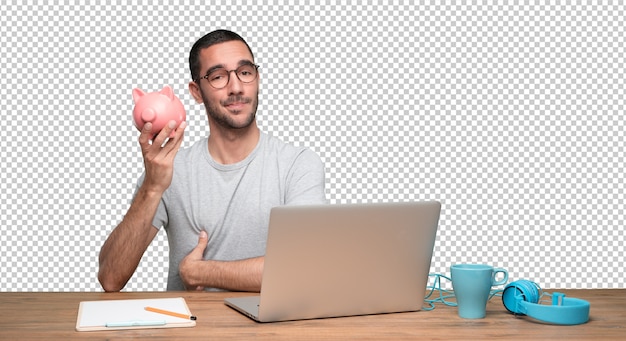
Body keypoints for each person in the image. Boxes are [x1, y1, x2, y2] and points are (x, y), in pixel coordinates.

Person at [98, 30, 327, 292]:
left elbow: (307, 268)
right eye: (218, 77)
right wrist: (152, 188)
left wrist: (201, 272)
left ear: (257, 78)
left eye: (245, 72)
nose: (236, 87)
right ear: (196, 92)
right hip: (192, 330)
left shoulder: (297, 165)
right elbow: (111, 278)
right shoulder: (170, 170)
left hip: (270, 330)